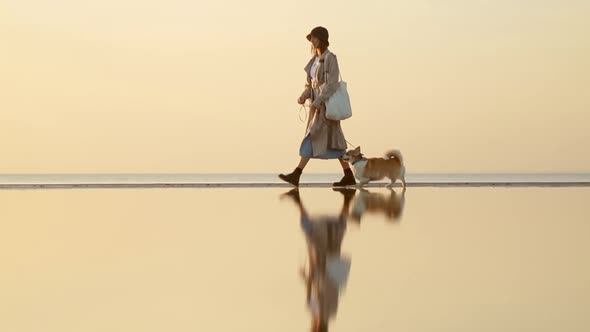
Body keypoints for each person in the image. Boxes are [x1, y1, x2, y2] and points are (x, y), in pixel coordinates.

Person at [279, 26, 356, 187]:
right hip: (317, 107)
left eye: (314, 38)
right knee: (335, 141)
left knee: (313, 136)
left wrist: (318, 101)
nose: (312, 41)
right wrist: (303, 95)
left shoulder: (330, 58)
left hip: (326, 107)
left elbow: (331, 84)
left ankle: (296, 174)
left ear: (321, 39)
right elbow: (310, 84)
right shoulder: (314, 60)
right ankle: (348, 175)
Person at [280, 188, 356, 332]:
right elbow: (315, 280)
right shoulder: (317, 310)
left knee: (337, 231)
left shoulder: (331, 313)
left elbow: (320, 286)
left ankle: (348, 199)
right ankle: (298, 200)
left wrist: (307, 277)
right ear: (315, 327)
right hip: (324, 252)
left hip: (334, 252)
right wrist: (308, 269)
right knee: (307, 227)